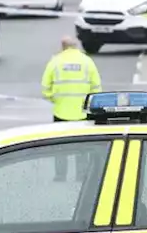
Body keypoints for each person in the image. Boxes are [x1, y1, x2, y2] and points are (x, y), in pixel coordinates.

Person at [41, 36, 102, 181]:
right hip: (82, 114)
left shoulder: (55, 62)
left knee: (60, 147)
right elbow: (97, 89)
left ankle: (60, 175)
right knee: (82, 147)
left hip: (61, 112)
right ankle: (81, 175)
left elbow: (45, 89)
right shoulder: (87, 61)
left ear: (63, 46)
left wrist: (55, 99)